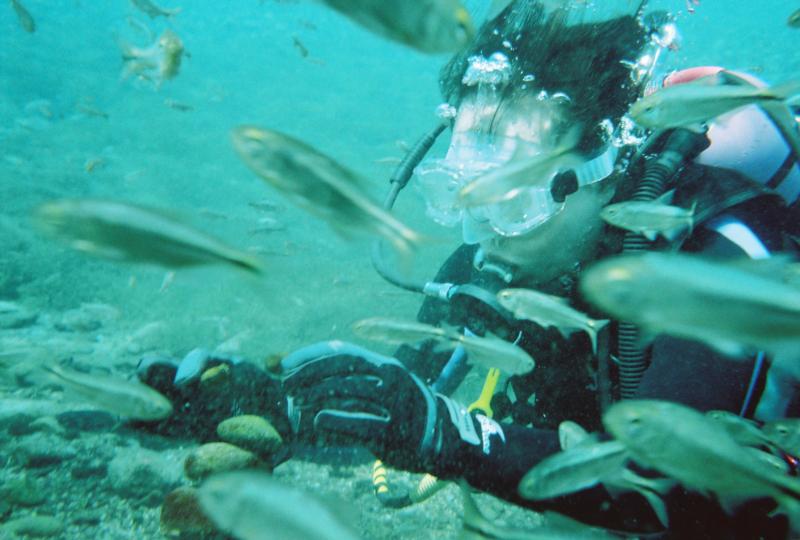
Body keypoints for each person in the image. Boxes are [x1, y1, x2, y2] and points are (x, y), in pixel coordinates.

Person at [137, 1, 800, 538]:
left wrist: (447, 434)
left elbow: (689, 494)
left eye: (512, 193)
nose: (481, 223)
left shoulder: (726, 256)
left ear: (601, 171)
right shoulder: (498, 259)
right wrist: (267, 403)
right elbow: (404, 407)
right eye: (462, 186)